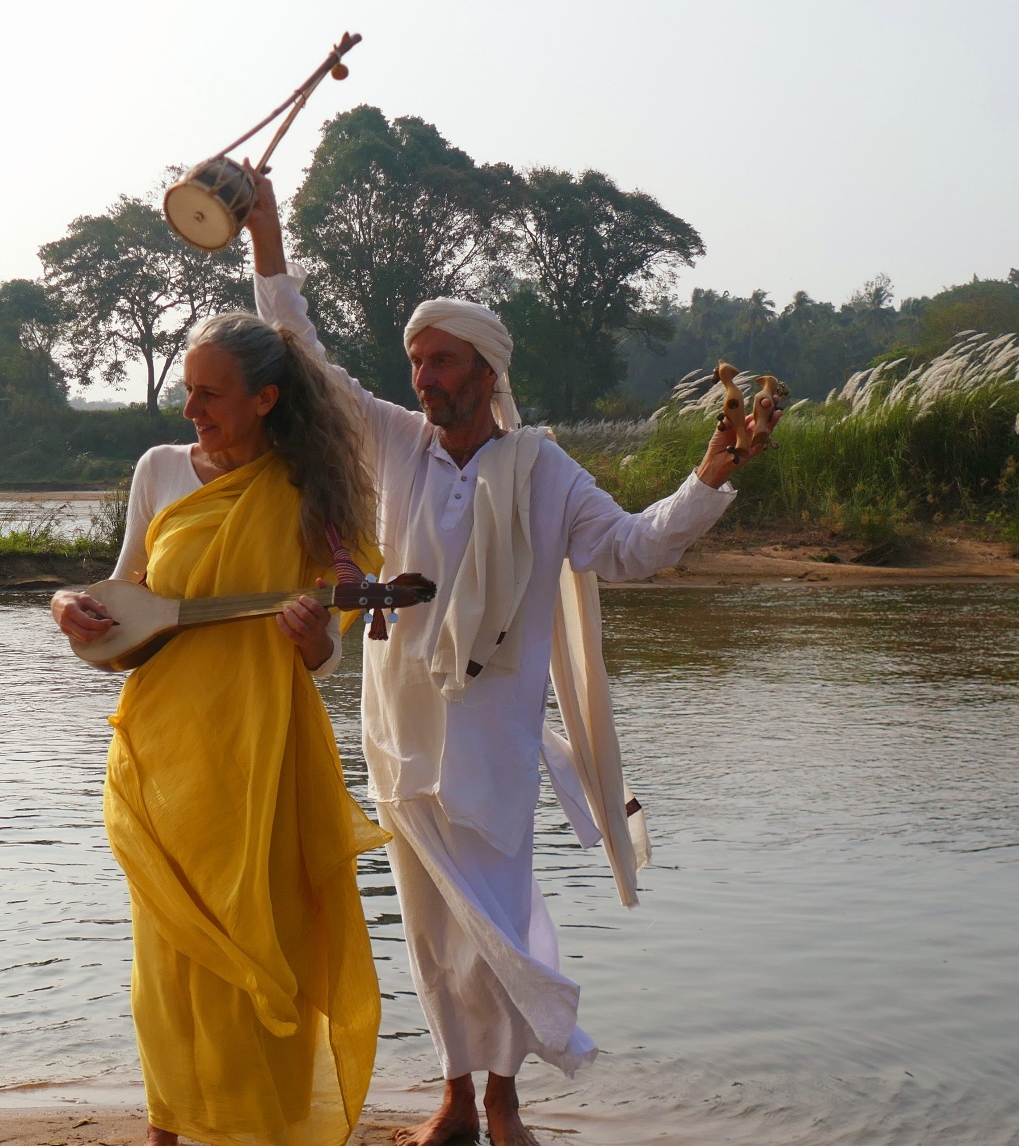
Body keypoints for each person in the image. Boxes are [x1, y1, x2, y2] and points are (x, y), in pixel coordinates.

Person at [240, 170, 782, 1146]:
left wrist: (711, 474)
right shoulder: (394, 445)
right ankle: (457, 1093)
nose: (424, 379)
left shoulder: (543, 469)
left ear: (486, 371)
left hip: (493, 736)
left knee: (494, 917)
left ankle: (505, 1099)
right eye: (417, 363)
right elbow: (302, 354)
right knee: (428, 922)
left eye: (442, 362)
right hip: (401, 727)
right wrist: (265, 236)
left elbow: (634, 549)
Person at [50, 311, 389, 1146]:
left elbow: (329, 647)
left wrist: (313, 640)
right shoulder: (160, 469)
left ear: (265, 398)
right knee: (168, 951)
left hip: (261, 751)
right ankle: (167, 1130)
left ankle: (266, 1128)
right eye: (188, 390)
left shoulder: (311, 491)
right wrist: (67, 606)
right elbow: (123, 596)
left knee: (264, 940)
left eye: (210, 393)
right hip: (163, 747)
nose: (190, 408)